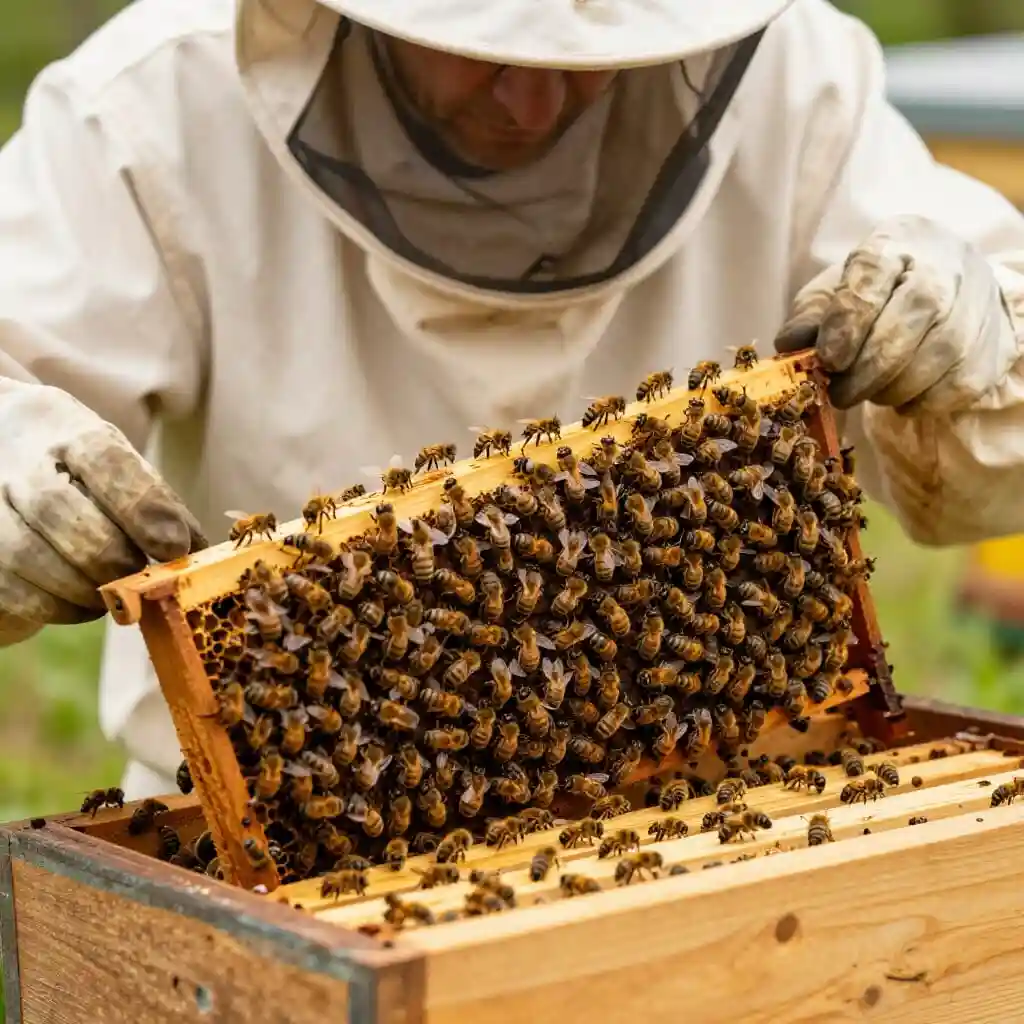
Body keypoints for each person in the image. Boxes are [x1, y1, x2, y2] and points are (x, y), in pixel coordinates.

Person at [0, 0, 1022, 797]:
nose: (532, 104)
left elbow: (992, 390)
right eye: (486, 45)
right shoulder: (151, 100)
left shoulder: (796, 79)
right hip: (299, 821)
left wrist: (974, 326)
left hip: (718, 795)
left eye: (587, 62)